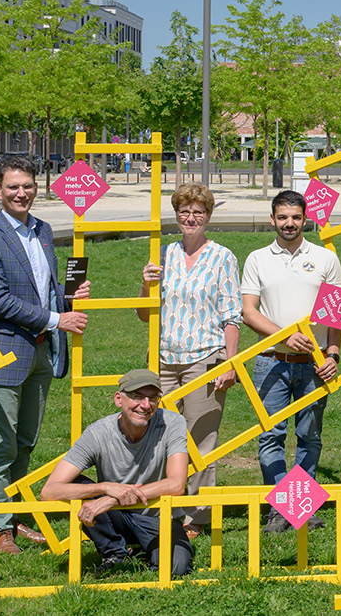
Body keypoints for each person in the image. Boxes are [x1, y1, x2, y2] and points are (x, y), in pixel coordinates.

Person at [0, 155, 90, 554]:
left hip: (40, 352)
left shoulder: (44, 230)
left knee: (26, 440)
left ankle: (14, 515)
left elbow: (42, 288)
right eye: (13, 187)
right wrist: (57, 319)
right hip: (1, 353)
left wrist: (69, 298)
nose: (22, 193)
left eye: (28, 186)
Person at [139, 183, 243, 536]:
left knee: (201, 438)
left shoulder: (223, 257)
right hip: (163, 358)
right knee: (157, 435)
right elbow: (144, 315)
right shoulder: (162, 255)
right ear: (176, 215)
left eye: (198, 212)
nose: (191, 217)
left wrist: (230, 362)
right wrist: (145, 285)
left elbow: (232, 315)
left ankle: (195, 516)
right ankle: (159, 506)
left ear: (208, 216)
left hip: (205, 357)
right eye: (184, 211)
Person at [240, 189, 341, 531]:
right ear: (272, 219)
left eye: (296, 217)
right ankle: (281, 507)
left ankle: (300, 506)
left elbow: (335, 314)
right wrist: (284, 336)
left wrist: (333, 354)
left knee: (309, 435)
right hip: (271, 360)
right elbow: (249, 312)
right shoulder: (257, 258)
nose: (289, 223)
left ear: (305, 219)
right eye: (283, 217)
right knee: (271, 435)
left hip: (314, 363)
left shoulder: (326, 258)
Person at [40, 370, 194, 576]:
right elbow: (49, 491)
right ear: (118, 399)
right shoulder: (98, 433)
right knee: (79, 487)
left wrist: (113, 499)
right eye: (137, 396)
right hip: (115, 517)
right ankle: (114, 553)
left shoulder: (172, 423)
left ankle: (141, 553)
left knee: (176, 569)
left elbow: (176, 484)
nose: (145, 405)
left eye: (153, 398)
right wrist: (104, 488)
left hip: (158, 515)